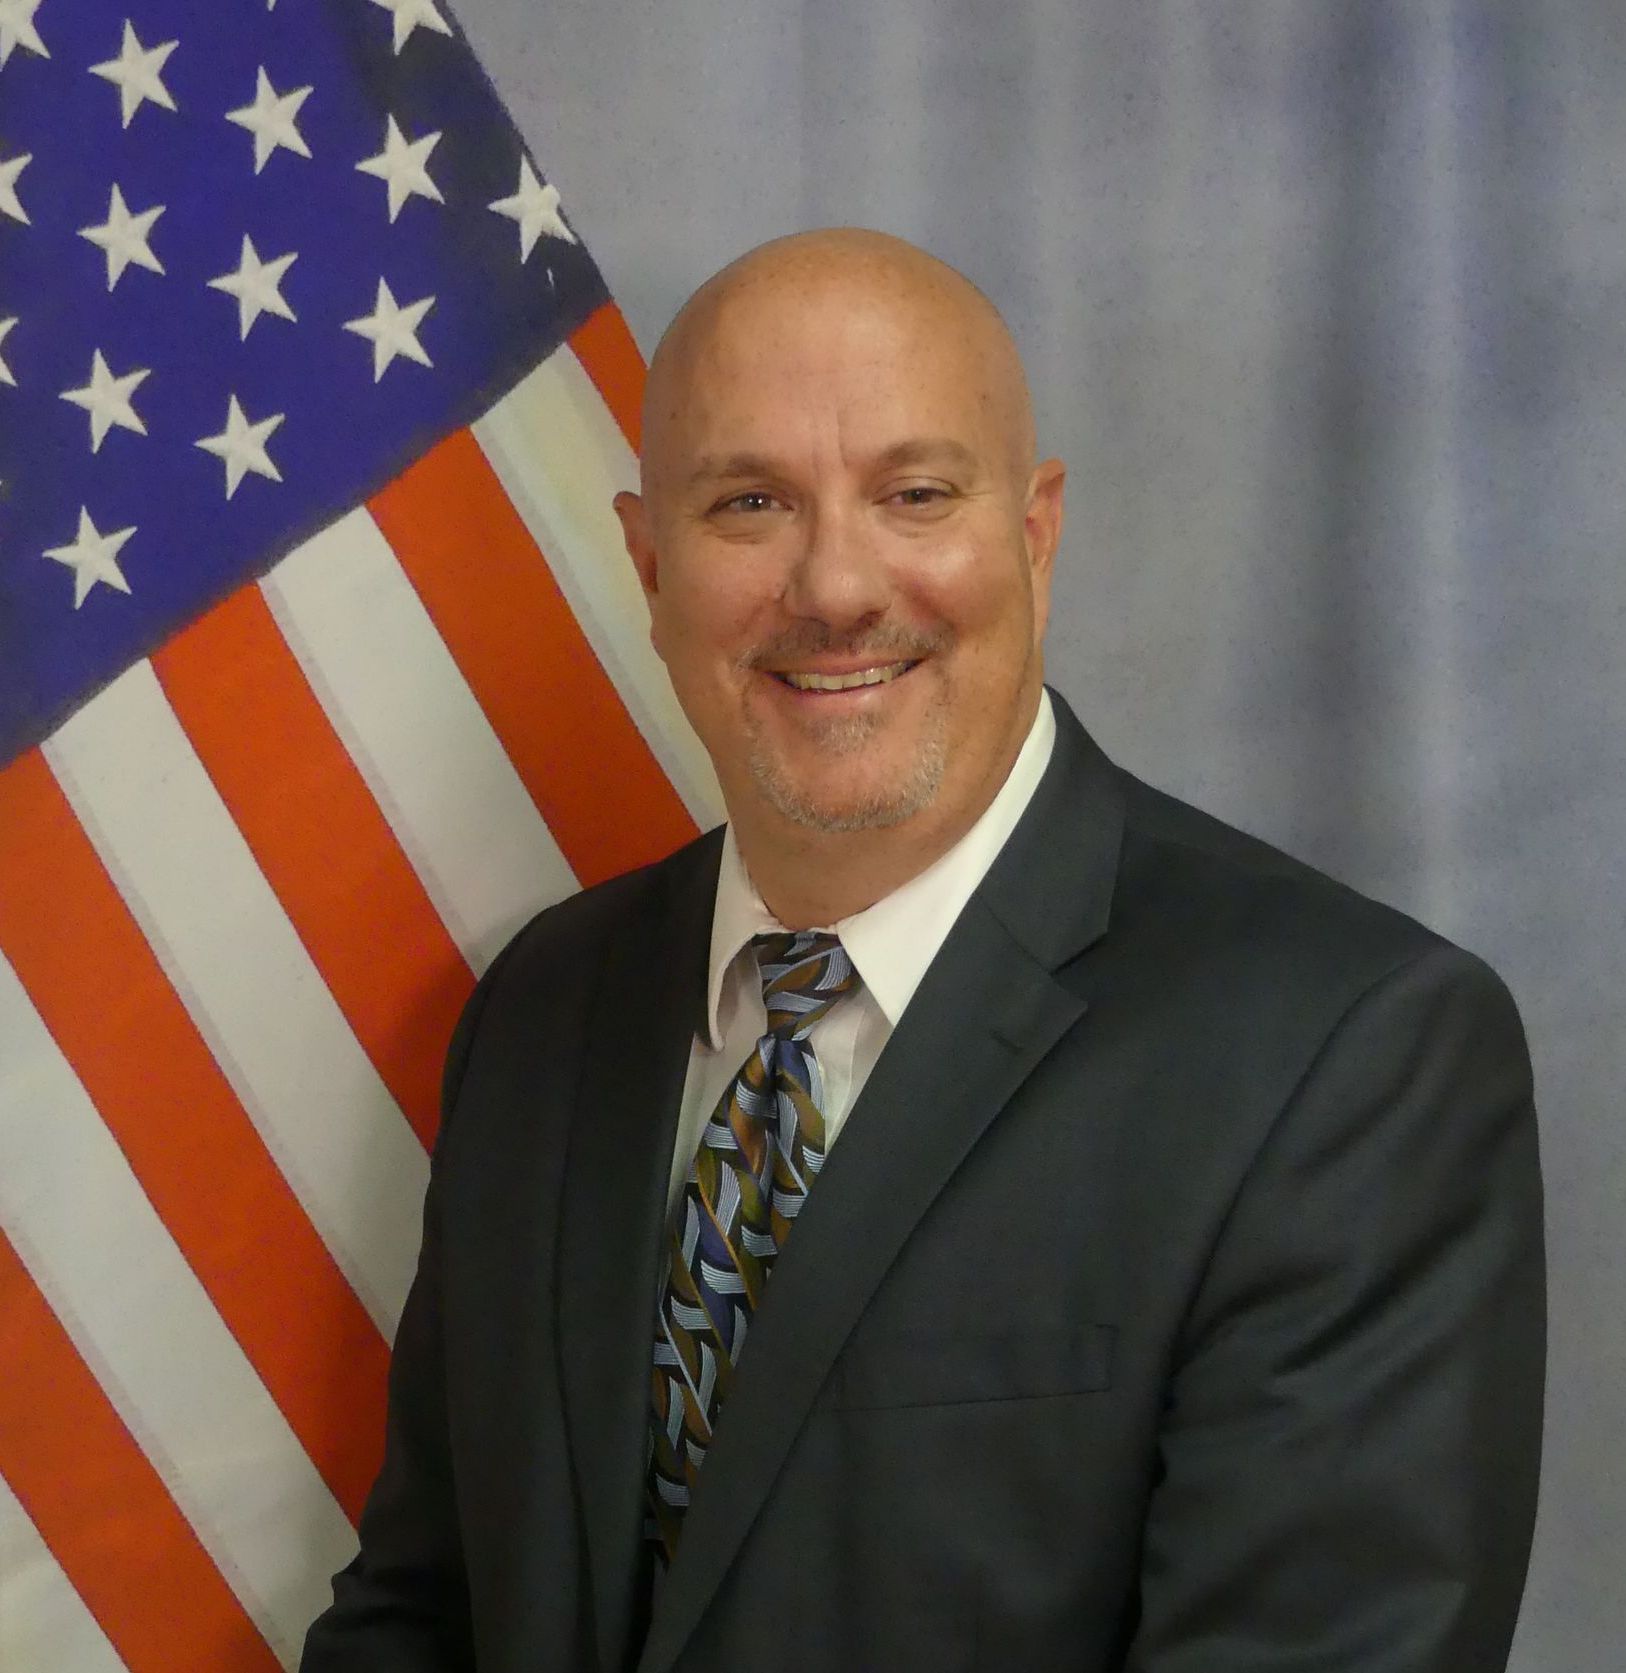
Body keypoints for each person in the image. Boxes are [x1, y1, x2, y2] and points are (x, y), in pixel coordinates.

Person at [301, 229, 1545, 1672]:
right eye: (749, 501)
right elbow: (422, 1613)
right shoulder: (542, 1007)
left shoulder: (1343, 1060)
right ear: (648, 564)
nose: (833, 587)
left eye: (913, 492)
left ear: (1035, 532)